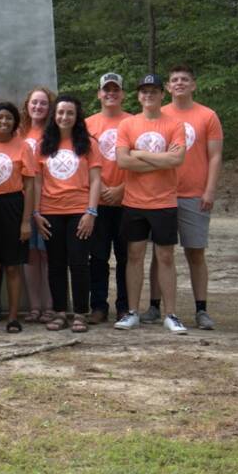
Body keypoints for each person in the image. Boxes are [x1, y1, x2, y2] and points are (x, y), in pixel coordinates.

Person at [113, 74, 188, 334]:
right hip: (134, 201)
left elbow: (176, 161)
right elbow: (123, 161)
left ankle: (171, 314)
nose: (148, 96)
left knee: (165, 256)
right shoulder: (128, 125)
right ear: (138, 95)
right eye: (144, 92)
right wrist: (161, 158)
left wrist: (140, 154)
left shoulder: (175, 125)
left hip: (164, 201)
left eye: (153, 91)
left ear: (161, 94)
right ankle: (132, 311)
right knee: (134, 256)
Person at [154, 64, 223, 330]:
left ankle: (201, 309)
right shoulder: (157, 114)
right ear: (168, 88)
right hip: (162, 194)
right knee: (161, 252)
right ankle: (154, 306)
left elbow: (215, 156)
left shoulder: (207, 116)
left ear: (193, 85)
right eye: (174, 80)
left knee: (195, 252)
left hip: (195, 193)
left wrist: (210, 190)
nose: (179, 83)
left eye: (185, 79)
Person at [33, 96, 103, 332]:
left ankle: (81, 312)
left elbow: (95, 181)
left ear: (77, 116)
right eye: (61, 112)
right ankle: (60, 311)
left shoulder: (88, 144)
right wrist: (36, 212)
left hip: (79, 212)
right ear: (54, 115)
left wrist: (91, 212)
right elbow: (37, 182)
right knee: (55, 264)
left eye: (70, 113)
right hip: (51, 212)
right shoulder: (44, 144)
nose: (64, 117)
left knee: (79, 263)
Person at [0, 102, 35, 333]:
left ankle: (13, 318)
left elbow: (30, 187)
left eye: (8, 118)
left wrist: (25, 220)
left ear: (14, 122)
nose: (3, 122)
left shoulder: (23, 147)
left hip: (13, 206)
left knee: (12, 266)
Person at [85, 72, 131, 324]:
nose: (111, 94)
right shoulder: (87, 124)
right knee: (98, 257)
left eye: (116, 90)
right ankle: (98, 306)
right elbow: (82, 161)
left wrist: (121, 188)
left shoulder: (134, 122)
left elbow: (139, 162)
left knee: (125, 257)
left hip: (128, 200)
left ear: (123, 94)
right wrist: (100, 187)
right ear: (99, 94)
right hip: (97, 201)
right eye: (106, 90)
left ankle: (124, 306)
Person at [19, 86, 54, 322]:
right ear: (27, 105)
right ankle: (34, 306)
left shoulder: (55, 133)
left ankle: (50, 306)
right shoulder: (20, 133)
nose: (38, 107)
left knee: (48, 254)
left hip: (49, 201)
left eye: (43, 103)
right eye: (34, 103)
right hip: (22, 201)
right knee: (30, 255)